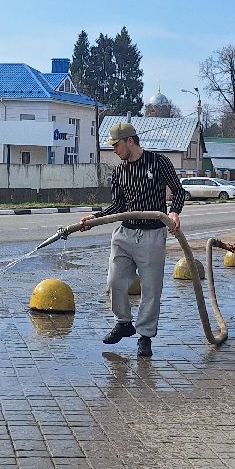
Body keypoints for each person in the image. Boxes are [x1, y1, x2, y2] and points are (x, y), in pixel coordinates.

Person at [79, 121, 186, 358]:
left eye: (116, 145)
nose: (114, 150)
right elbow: (118, 205)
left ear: (129, 141)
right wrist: (95, 218)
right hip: (125, 233)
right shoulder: (119, 171)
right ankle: (124, 322)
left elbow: (178, 191)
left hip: (153, 234)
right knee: (114, 281)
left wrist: (174, 212)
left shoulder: (159, 162)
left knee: (151, 288)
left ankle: (145, 336)